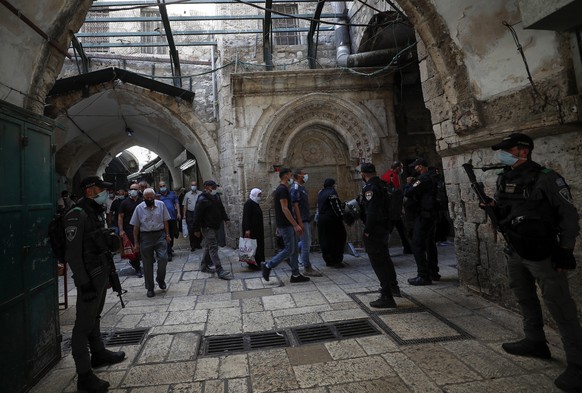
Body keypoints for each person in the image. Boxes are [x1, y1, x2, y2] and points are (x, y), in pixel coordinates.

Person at [488, 133, 582, 392]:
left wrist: (565, 250)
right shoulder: (503, 178)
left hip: (543, 253)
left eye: (507, 150)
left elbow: (569, 216)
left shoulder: (547, 177)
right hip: (515, 249)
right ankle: (535, 340)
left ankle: (578, 363)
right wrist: (492, 208)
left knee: (560, 306)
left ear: (523, 151)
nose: (503, 154)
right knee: (524, 296)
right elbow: (505, 212)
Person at [64, 176, 125, 392]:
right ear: (90, 191)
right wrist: (84, 282)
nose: (104, 194)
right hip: (88, 277)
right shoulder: (76, 215)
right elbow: (72, 253)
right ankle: (84, 375)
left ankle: (98, 353)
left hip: (99, 273)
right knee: (82, 325)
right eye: (101, 190)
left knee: (95, 316)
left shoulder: (93, 212)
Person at [359, 163, 399, 308]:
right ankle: (393, 287)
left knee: (378, 261)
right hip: (384, 227)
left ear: (363, 174)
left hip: (375, 229)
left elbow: (372, 212)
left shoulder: (370, 188)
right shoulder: (383, 184)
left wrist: (367, 230)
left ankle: (386, 296)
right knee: (385, 258)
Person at [262, 167, 310, 284]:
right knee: (289, 249)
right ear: (285, 176)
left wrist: (296, 223)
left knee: (293, 250)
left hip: (287, 223)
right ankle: (268, 265)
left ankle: (295, 274)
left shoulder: (284, 189)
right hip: (286, 224)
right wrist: (295, 224)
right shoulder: (282, 190)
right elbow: (285, 209)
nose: (291, 177)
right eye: (289, 175)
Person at [404, 158, 439, 285]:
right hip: (432, 214)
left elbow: (408, 192)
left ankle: (423, 275)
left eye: (416, 167)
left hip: (424, 215)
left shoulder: (423, 179)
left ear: (420, 167)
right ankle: (433, 271)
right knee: (430, 243)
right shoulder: (434, 176)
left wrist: (409, 183)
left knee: (417, 244)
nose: (414, 169)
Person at [130, 188, 171, 298]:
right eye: (147, 197)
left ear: (154, 196)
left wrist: (167, 235)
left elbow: (165, 220)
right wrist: (136, 243)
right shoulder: (139, 208)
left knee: (163, 258)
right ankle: (150, 287)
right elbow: (136, 226)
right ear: (143, 198)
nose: (149, 199)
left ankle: (160, 279)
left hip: (160, 235)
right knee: (147, 263)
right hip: (146, 236)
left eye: (151, 197)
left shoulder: (161, 205)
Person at [192, 180, 232, 279]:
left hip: (215, 225)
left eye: (215, 187)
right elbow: (197, 215)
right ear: (206, 187)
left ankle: (204, 266)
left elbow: (221, 209)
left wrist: (226, 219)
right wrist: (196, 229)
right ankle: (219, 269)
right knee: (213, 247)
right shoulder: (202, 199)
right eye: (212, 187)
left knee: (208, 246)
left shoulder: (216, 196)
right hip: (207, 227)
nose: (214, 189)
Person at [291, 168, 322, 277]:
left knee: (307, 242)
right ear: (299, 176)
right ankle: (307, 267)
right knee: (306, 243)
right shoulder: (295, 188)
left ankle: (305, 264)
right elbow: (295, 206)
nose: (305, 176)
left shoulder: (302, 188)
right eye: (304, 174)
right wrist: (299, 222)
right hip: (302, 220)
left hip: (305, 219)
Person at [381, 161, 413, 254]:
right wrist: (401, 207)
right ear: (397, 168)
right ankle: (384, 249)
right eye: (401, 168)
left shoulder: (385, 175)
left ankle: (408, 248)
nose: (401, 170)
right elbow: (396, 193)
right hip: (394, 208)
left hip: (390, 208)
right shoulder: (393, 176)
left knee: (401, 228)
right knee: (391, 229)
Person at [317, 178, 347, 268]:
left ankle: (328, 260)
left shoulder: (321, 192)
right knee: (337, 238)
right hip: (332, 220)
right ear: (333, 185)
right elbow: (336, 207)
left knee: (325, 239)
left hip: (321, 219)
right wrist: (342, 217)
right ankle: (336, 260)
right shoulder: (332, 192)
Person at [118, 182, 143, 277]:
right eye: (131, 189)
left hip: (142, 228)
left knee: (142, 247)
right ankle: (137, 268)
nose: (133, 191)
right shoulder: (124, 203)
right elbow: (120, 217)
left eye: (135, 189)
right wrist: (121, 230)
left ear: (139, 190)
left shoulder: (141, 201)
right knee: (134, 249)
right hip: (129, 228)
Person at [157, 180, 181, 261]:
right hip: (163, 220)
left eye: (163, 186)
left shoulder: (172, 194)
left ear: (166, 186)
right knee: (165, 235)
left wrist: (178, 213)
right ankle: (168, 252)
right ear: (158, 187)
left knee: (172, 234)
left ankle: (170, 248)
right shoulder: (157, 196)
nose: (162, 188)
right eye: (160, 186)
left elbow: (176, 203)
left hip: (172, 217)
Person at [242, 188, 265, 270]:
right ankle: (252, 264)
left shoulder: (255, 203)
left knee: (258, 246)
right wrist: (247, 229)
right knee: (252, 246)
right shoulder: (248, 204)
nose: (260, 196)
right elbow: (246, 217)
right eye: (259, 195)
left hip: (257, 229)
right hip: (251, 230)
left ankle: (259, 262)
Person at [183, 181, 203, 251]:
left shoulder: (200, 193)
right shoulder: (187, 195)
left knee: (198, 229)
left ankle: (198, 243)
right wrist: (184, 215)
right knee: (191, 229)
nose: (193, 186)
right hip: (190, 213)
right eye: (192, 185)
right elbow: (185, 205)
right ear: (190, 186)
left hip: (198, 213)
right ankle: (193, 245)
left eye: (194, 185)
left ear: (197, 186)